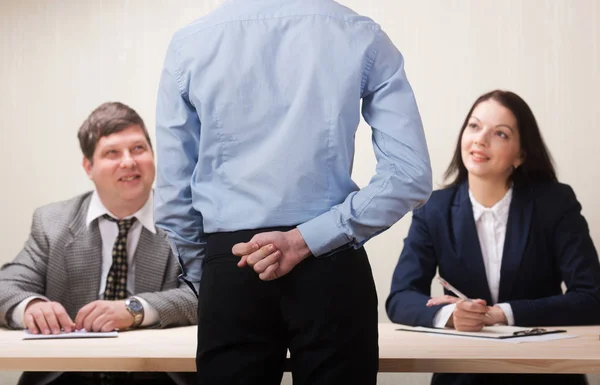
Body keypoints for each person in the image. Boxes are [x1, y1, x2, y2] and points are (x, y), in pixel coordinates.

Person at [154, 0, 432, 384]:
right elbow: (409, 174)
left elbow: (172, 197)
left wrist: (215, 279)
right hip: (332, 265)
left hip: (233, 266)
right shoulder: (362, 34)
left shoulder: (190, 44)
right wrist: (306, 241)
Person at [386, 89, 600, 385]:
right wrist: (450, 315)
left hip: (544, 373)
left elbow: (591, 297)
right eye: (474, 126)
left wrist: (504, 314)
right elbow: (400, 298)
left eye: (500, 134)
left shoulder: (555, 203)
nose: (480, 140)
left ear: (521, 154)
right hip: (464, 375)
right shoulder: (433, 209)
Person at [0, 102, 197, 385]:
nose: (128, 162)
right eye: (112, 153)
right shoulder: (52, 222)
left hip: (158, 375)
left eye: (138, 149)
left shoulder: (184, 222)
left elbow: (203, 294)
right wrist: (29, 307)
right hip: (67, 374)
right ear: (88, 166)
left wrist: (135, 310)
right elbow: (5, 286)